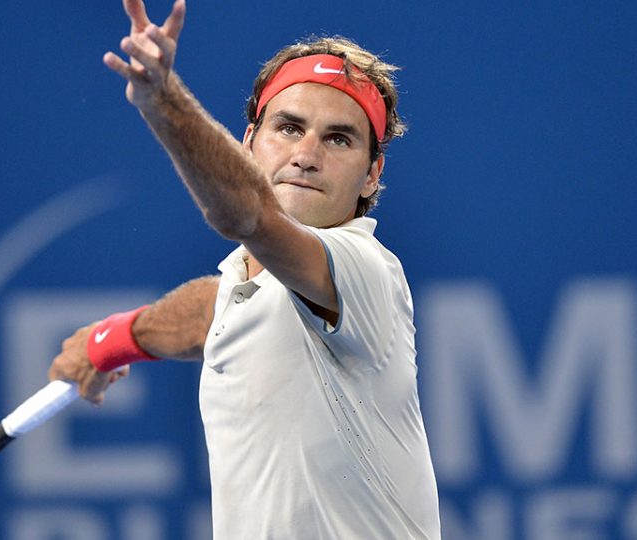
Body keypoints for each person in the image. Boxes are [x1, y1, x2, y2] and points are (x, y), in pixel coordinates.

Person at [48, 0, 441, 537]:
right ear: (249, 142)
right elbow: (211, 312)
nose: (306, 155)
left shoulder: (363, 267)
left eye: (338, 139)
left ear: (372, 175)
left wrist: (165, 101)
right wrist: (113, 340)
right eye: (289, 127)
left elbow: (247, 215)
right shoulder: (253, 283)